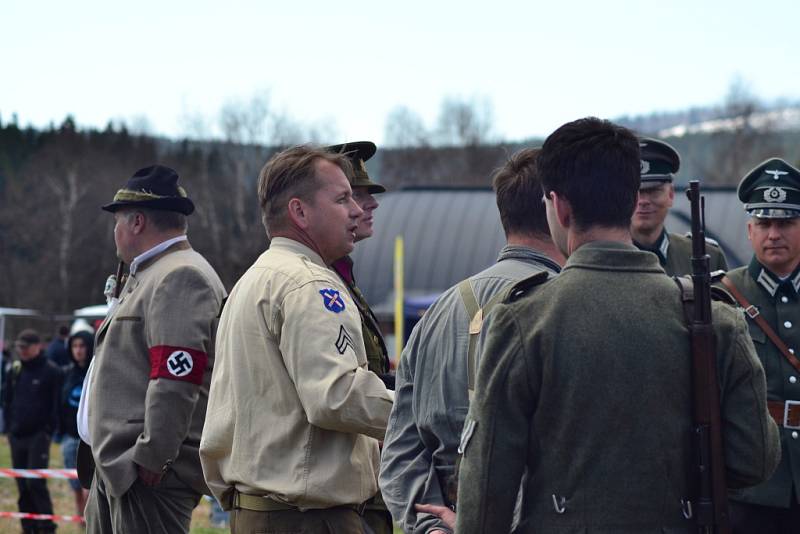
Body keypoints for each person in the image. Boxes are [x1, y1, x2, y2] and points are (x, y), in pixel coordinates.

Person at [455, 117, 781, 533]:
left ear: (560, 206)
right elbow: (753, 459)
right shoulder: (715, 319)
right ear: (632, 202)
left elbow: (487, 483)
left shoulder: (523, 320)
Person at [200, 145, 394, 534]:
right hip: (309, 517)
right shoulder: (311, 283)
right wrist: (422, 412)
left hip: (258, 510)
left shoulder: (254, 279)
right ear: (299, 212)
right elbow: (335, 395)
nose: (356, 210)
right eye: (342, 199)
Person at [379, 147, 564, 534]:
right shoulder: (566, 304)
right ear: (559, 209)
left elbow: (401, 448)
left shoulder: (437, 313)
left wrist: (432, 526)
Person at [78, 164, 226, 534]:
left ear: (137, 222)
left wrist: (150, 460)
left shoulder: (180, 275)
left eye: (118, 222)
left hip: (144, 475)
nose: (115, 232)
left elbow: (176, 378)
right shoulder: (151, 273)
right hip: (121, 470)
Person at [722, 158, 800, 532]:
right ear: (749, 230)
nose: (774, 234)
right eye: (764, 224)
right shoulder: (721, 295)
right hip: (754, 482)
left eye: (785, 223)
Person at [327, 141, 394, 534]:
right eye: (353, 195)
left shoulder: (340, 274)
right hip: (337, 483)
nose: (367, 206)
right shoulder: (314, 283)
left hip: (358, 473)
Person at [631, 137, 728, 275]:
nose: (644, 201)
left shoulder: (707, 257)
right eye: (636, 192)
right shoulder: (605, 260)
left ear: (671, 195)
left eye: (653, 191)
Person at [2, 329, 61, 534]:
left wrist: (48, 430)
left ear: (38, 347)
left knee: (35, 482)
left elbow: (56, 404)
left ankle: (46, 526)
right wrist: (9, 429)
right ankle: (28, 526)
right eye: (20, 347)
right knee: (21, 485)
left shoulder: (52, 371)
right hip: (17, 435)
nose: (22, 351)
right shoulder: (15, 371)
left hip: (39, 435)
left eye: (26, 347)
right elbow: (7, 401)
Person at [57, 330, 94, 518]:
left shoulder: (97, 371)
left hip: (91, 438)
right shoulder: (66, 373)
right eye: (75, 346)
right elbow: (59, 403)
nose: (78, 350)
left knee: (90, 486)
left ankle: (90, 520)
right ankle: (80, 519)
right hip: (70, 437)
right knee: (75, 486)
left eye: (82, 346)